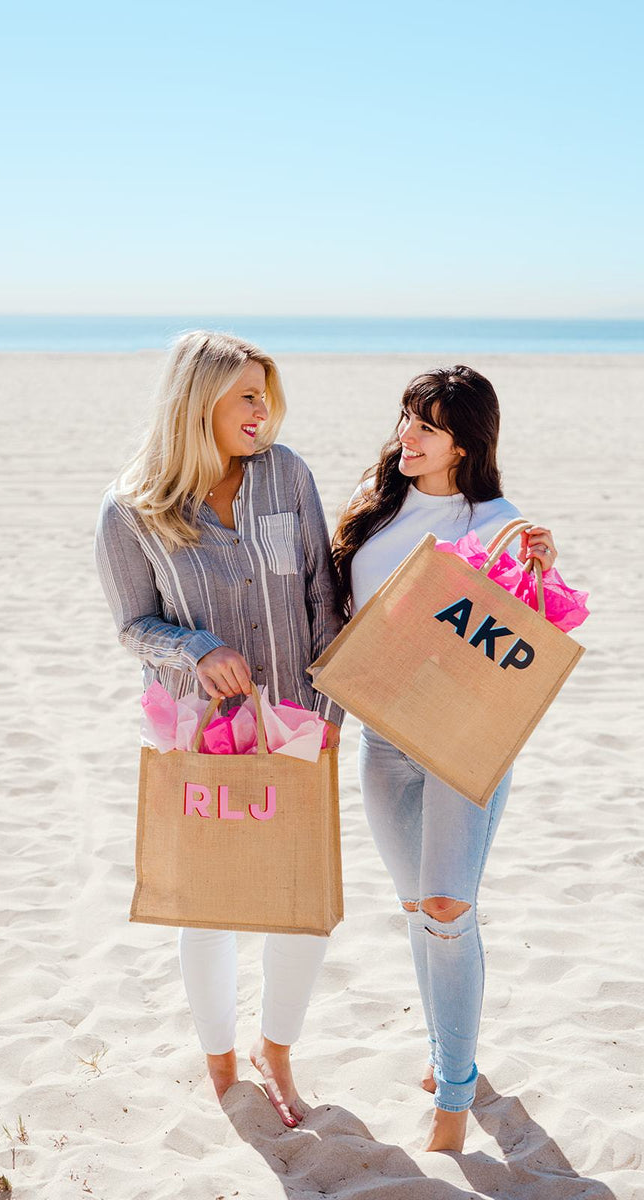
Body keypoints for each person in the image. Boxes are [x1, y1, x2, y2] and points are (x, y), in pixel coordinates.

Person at [95, 330, 344, 1127]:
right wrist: (195, 648)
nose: (261, 408)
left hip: (300, 727)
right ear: (196, 401)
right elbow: (133, 625)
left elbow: (325, 604)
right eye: (245, 394)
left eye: (265, 392)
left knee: (301, 906)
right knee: (207, 909)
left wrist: (327, 720)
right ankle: (220, 1061)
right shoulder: (132, 510)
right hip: (199, 736)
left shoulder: (288, 474)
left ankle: (277, 1051)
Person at [332, 365, 558, 1153]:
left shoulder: (499, 523)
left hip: (462, 746)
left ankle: (454, 1106)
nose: (408, 437)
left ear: (466, 441)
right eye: (405, 419)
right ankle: (446, 1051)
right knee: (416, 914)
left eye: (426, 426)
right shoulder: (372, 514)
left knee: (448, 912)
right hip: (382, 740)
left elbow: (526, 635)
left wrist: (540, 565)